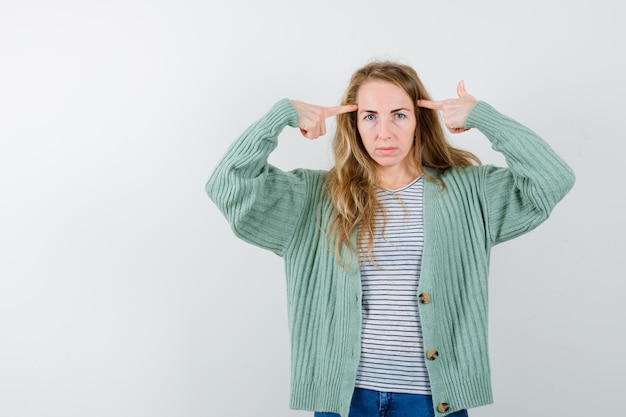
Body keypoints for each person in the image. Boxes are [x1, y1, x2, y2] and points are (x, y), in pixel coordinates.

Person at [205, 61, 575, 417]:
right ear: (354, 125)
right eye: (370, 116)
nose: (385, 132)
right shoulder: (315, 198)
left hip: (432, 402)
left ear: (419, 121)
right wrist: (279, 116)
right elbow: (227, 186)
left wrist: (485, 118)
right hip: (346, 402)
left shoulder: (469, 193)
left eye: (399, 114)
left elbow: (551, 180)